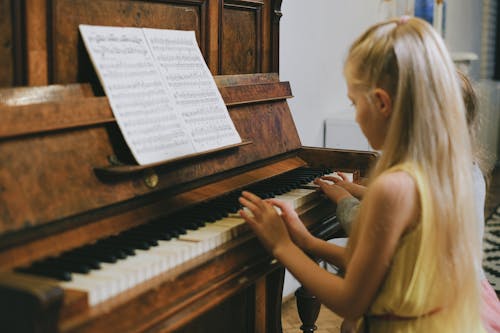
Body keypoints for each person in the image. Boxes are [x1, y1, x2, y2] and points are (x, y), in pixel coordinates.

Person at [238, 16, 486, 332]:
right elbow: (380, 264)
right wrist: (306, 241)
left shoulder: (393, 187)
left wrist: (281, 246)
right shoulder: (447, 171)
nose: (355, 116)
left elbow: (350, 301)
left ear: (382, 103)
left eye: (355, 103)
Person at [317, 70, 500, 332]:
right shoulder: (466, 171)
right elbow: (417, 206)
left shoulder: (422, 181)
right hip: (468, 292)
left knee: (351, 324)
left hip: (427, 304)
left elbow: (375, 229)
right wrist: (355, 190)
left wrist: (344, 198)